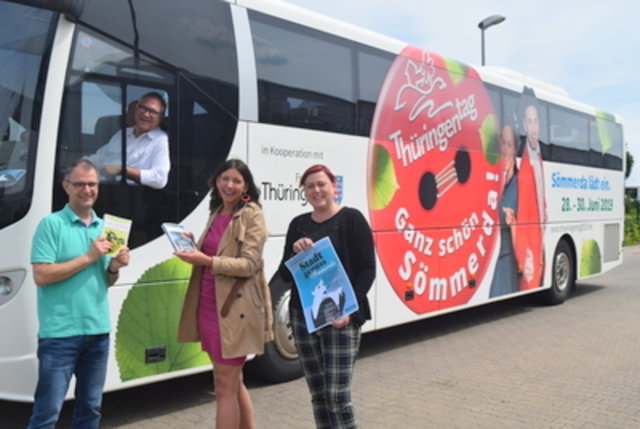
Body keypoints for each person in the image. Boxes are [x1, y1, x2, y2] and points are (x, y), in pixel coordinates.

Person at [27, 159, 130, 429]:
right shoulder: (51, 225)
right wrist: (89, 257)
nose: (87, 189)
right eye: (80, 184)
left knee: (90, 410)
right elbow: (41, 275)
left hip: (97, 332)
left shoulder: (105, 228)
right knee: (46, 414)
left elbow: (105, 281)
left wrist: (115, 268)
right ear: (66, 187)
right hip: (60, 334)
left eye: (92, 184)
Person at [176, 159, 273, 429]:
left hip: (233, 310)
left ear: (246, 187)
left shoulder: (251, 213)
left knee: (223, 387)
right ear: (216, 182)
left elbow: (248, 264)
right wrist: (192, 250)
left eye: (236, 181)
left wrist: (205, 260)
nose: (229, 185)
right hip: (208, 306)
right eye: (224, 179)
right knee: (233, 380)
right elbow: (212, 253)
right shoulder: (217, 211)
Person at [277, 164, 375, 429]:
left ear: (333, 186)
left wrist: (347, 310)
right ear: (305, 192)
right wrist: (295, 254)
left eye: (321, 184)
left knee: (337, 396)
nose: (316, 190)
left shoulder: (351, 219)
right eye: (310, 186)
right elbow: (285, 275)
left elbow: (368, 270)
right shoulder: (298, 225)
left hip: (340, 317)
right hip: (303, 317)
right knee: (319, 395)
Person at [87, 92, 170, 189]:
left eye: (152, 111)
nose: (146, 114)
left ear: (160, 118)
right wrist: (81, 165)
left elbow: (160, 179)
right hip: (98, 184)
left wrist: (122, 170)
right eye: (142, 108)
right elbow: (99, 157)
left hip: (127, 194)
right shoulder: (124, 133)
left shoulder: (161, 140)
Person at [516, 87, 546, 290]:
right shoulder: (523, 162)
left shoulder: (540, 156)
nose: (533, 128)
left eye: (536, 121)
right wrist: (525, 253)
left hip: (541, 235)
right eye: (529, 121)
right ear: (524, 126)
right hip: (530, 241)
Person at [489, 122, 520, 297]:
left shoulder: (518, 184)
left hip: (508, 263)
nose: (504, 149)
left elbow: (526, 236)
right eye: (502, 142)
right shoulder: (497, 180)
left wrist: (513, 223)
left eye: (509, 145)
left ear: (515, 150)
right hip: (498, 262)